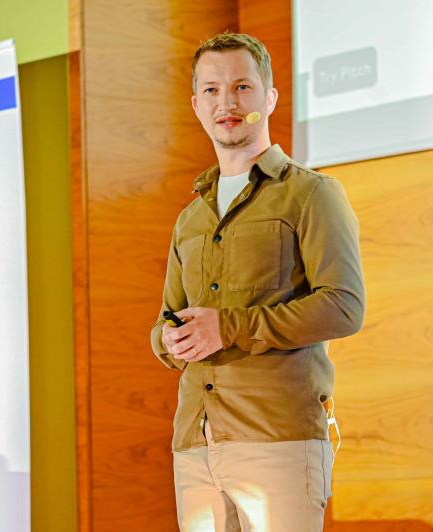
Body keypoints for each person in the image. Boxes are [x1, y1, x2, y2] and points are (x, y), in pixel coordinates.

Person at [149, 32, 365, 532]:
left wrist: (227, 327)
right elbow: (165, 322)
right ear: (196, 105)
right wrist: (170, 339)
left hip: (279, 441)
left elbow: (343, 306)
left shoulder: (311, 194)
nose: (226, 102)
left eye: (242, 87)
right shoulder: (190, 218)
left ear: (269, 98)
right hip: (196, 444)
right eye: (211, 90)